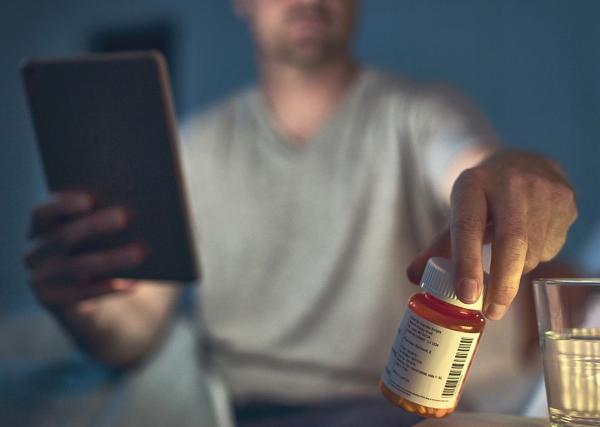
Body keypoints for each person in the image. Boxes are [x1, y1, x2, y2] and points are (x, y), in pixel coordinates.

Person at [24, 0, 578, 425]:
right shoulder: (193, 147)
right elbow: (137, 333)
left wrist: (520, 173)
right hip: (246, 411)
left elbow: (475, 162)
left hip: (397, 412)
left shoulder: (421, 114)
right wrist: (88, 311)